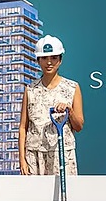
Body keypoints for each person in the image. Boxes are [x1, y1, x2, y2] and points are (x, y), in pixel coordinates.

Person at [19, 35, 84, 175]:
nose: (49, 62)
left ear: (60, 60)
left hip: (62, 154)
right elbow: (23, 127)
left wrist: (70, 111)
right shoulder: (30, 89)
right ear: (38, 60)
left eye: (54, 58)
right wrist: (22, 160)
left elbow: (79, 126)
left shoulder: (72, 87)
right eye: (44, 58)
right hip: (34, 155)